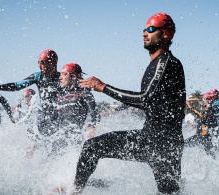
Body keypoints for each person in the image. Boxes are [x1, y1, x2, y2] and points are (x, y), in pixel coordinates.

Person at [71, 12, 185, 194]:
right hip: (159, 142)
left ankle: (74, 191)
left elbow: (144, 99)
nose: (144, 33)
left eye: (150, 29)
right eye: (144, 30)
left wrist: (103, 87)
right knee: (92, 148)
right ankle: (75, 190)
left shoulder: (166, 63)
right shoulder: (157, 64)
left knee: (91, 147)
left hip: (159, 142)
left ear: (166, 34)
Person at [0, 49, 61, 137]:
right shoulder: (38, 76)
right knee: (33, 135)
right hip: (45, 117)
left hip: (60, 118)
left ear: (52, 63)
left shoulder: (62, 78)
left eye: (43, 62)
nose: (39, 65)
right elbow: (17, 85)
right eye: (39, 62)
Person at [57, 62, 99, 144]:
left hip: (76, 139)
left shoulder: (84, 93)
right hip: (60, 138)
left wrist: (91, 127)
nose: (59, 78)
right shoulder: (60, 95)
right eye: (60, 74)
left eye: (63, 74)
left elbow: (95, 114)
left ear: (72, 76)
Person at [184, 93, 216, 158]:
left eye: (203, 99)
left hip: (204, 137)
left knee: (211, 156)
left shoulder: (208, 109)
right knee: (210, 155)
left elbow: (201, 114)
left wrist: (190, 106)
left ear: (208, 100)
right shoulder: (207, 108)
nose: (202, 101)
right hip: (201, 136)